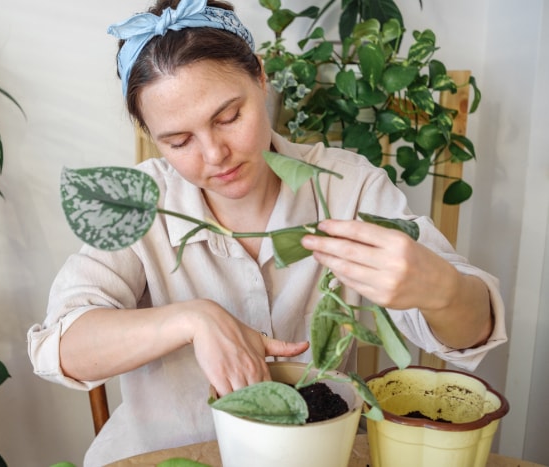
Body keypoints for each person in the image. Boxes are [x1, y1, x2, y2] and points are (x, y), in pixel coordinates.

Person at [27, 1, 507, 465]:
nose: (215, 154)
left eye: (229, 117)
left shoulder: (348, 187)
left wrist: (440, 289)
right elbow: (59, 347)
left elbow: (473, 332)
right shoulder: (141, 204)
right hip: (160, 458)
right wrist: (192, 320)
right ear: (150, 134)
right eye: (179, 140)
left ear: (260, 75)